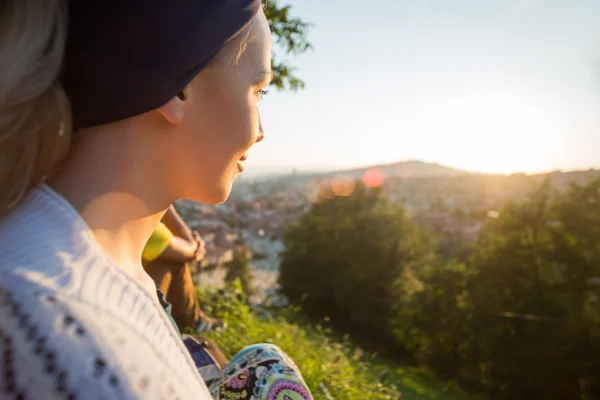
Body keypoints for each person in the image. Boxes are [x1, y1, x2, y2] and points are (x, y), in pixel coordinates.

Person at [0, 0, 312, 398]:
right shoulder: (63, 350)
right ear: (179, 87)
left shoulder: (74, 257)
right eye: (258, 91)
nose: (261, 130)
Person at [143, 205, 226, 332]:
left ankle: (191, 321)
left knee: (166, 258)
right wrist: (166, 205)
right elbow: (190, 251)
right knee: (172, 262)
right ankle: (192, 322)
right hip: (137, 311)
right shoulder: (144, 229)